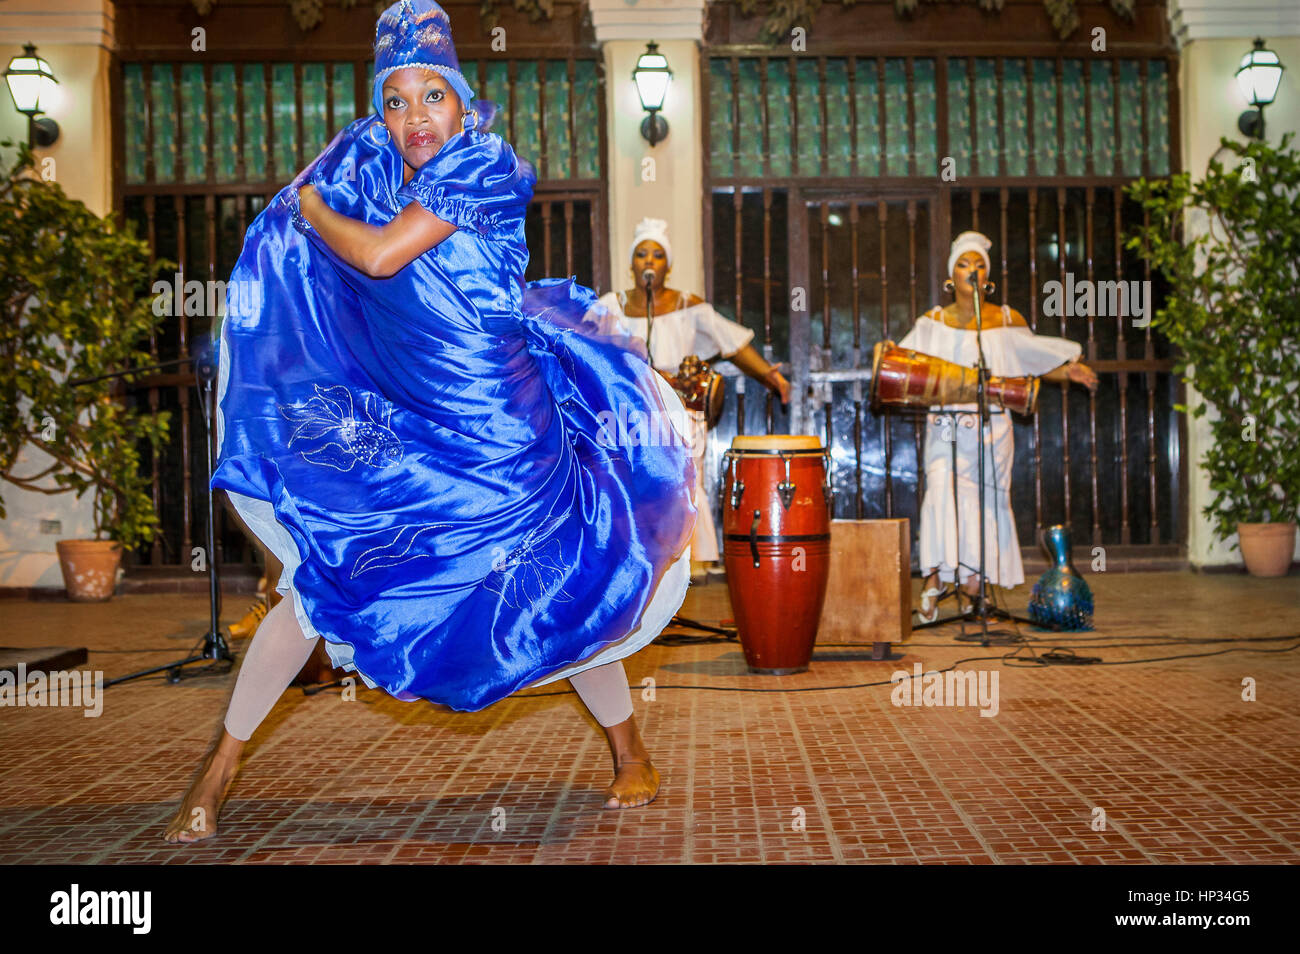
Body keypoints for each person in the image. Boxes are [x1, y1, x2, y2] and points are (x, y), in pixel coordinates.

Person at [164, 0, 696, 843]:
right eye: (396, 101)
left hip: (508, 436)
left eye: (432, 96)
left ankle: (630, 752)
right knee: (324, 582)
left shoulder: (485, 164)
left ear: (462, 97)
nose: (416, 118)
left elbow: (376, 255)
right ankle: (217, 767)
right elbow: (339, 213)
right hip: (415, 431)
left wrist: (305, 209)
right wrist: (309, 200)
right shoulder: (382, 165)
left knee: (561, 592)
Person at [898, 231, 1098, 622]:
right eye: (963, 263)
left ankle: (974, 586)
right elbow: (905, 366)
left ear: (986, 277)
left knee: (983, 504)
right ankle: (935, 579)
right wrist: (883, 355)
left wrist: (1068, 373)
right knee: (941, 490)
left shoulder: (1006, 319)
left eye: (978, 265)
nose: (970, 270)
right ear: (950, 275)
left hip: (993, 429)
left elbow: (1034, 360)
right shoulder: (931, 323)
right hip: (947, 427)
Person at [593, 219, 790, 575]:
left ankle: (690, 565)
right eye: (641, 254)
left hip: (682, 406)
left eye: (657, 255)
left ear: (667, 266)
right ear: (631, 264)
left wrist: (768, 374)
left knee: (684, 480)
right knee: (636, 481)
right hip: (632, 408)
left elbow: (732, 342)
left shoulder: (688, 304)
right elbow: (587, 345)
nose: (649, 261)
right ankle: (641, 564)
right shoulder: (611, 305)